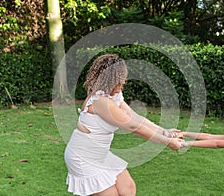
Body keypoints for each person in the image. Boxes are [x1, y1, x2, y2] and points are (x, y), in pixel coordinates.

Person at [64, 54, 183, 196]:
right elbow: (132, 127)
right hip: (83, 157)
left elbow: (135, 118)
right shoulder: (100, 101)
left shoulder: (113, 97)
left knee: (128, 188)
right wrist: (167, 142)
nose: (121, 87)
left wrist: (164, 131)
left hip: (99, 155)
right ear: (108, 81)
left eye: (122, 82)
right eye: (118, 83)